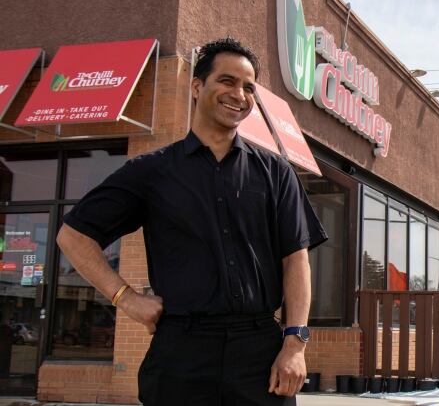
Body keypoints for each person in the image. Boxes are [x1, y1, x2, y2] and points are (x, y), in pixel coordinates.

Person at [56, 38, 327, 406]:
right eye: (227, 81)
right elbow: (73, 236)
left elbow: (295, 261)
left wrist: (295, 344)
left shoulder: (276, 172)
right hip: (180, 353)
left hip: (260, 354)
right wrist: (126, 298)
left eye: (249, 87)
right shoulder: (151, 171)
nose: (240, 95)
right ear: (197, 87)